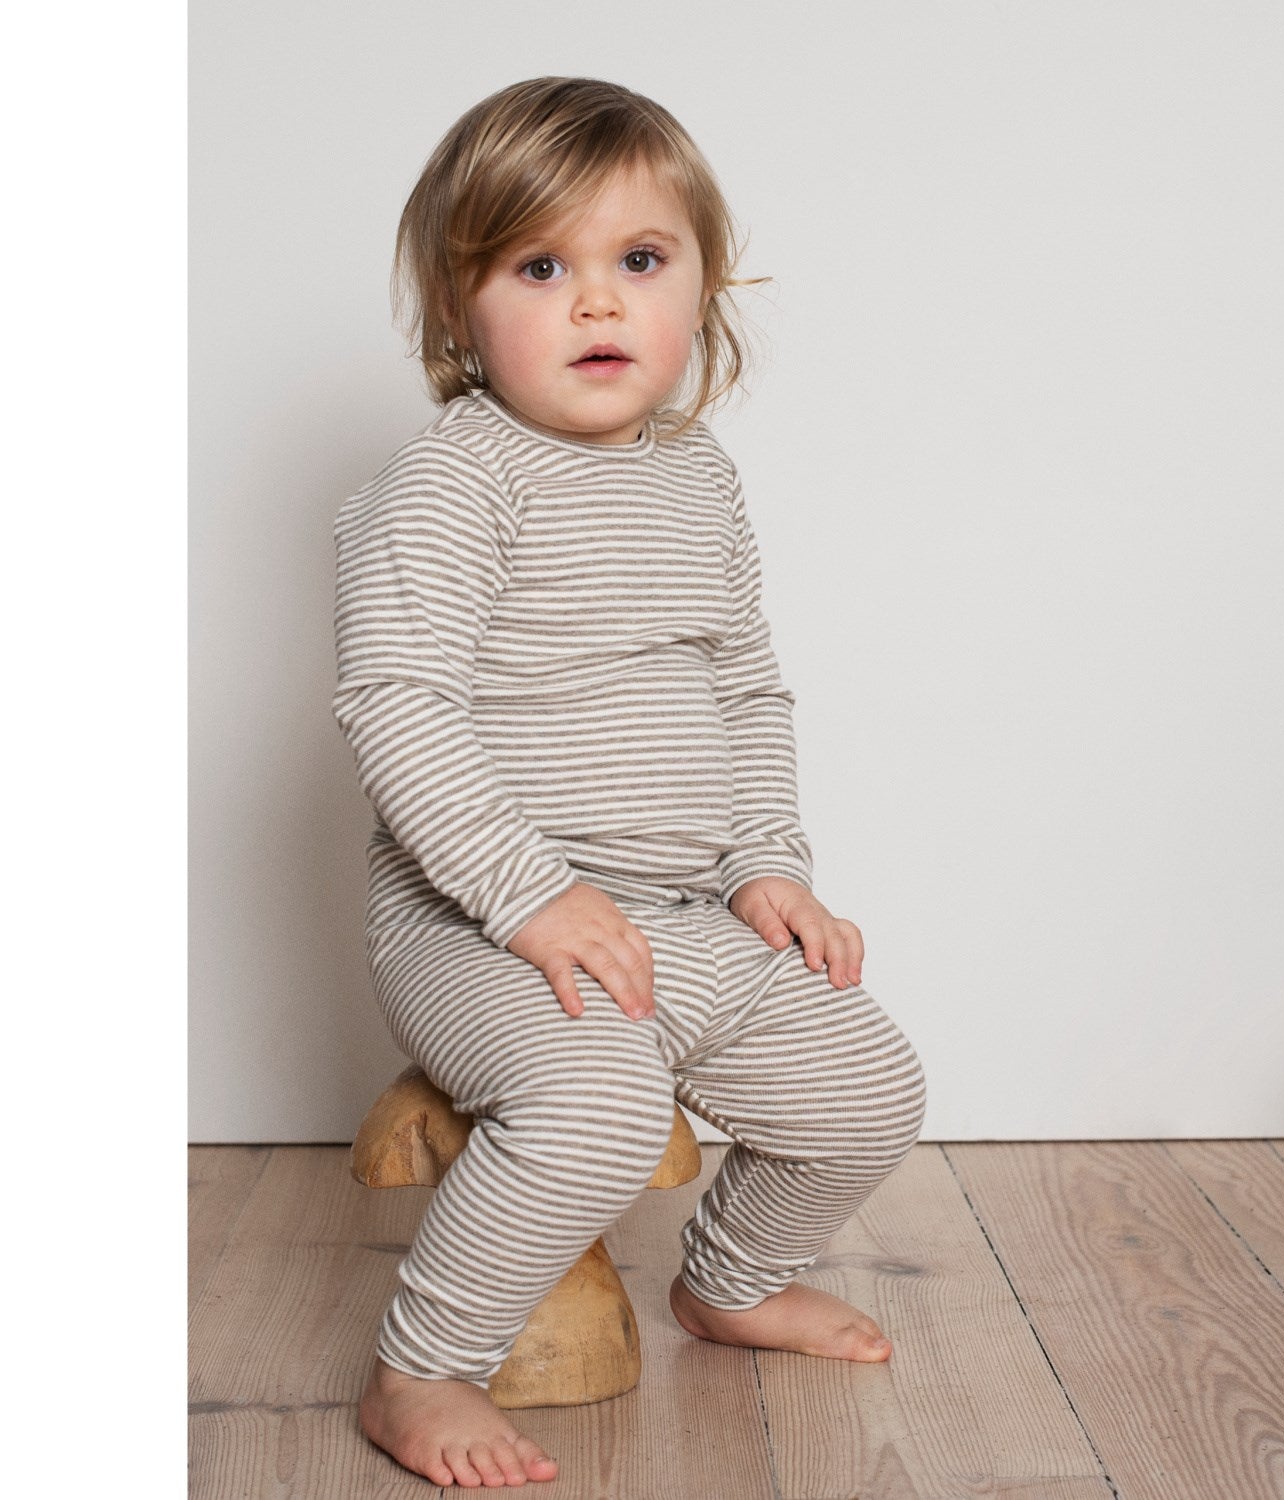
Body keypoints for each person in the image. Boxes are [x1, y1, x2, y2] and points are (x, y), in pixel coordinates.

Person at [331, 75, 927, 1489]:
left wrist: (767, 862)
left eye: (640, 261)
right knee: (595, 1107)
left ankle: (730, 1281)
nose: (598, 302)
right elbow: (397, 703)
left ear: (704, 287)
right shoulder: (449, 486)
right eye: (541, 269)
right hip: (477, 921)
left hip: (678, 906)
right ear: (457, 309)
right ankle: (422, 1367)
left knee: (868, 1085)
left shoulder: (696, 477)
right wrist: (529, 896)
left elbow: (744, 686)